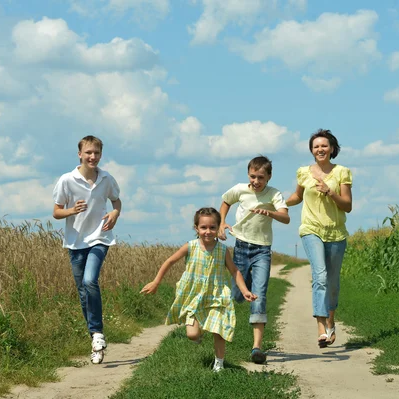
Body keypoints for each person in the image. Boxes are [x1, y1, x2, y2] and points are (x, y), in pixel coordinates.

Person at [140, 207, 257, 372]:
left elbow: (234, 271)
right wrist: (156, 282)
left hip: (217, 295)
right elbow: (169, 262)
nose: (208, 231)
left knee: (219, 330)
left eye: (212, 227)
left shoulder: (222, 250)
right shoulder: (191, 246)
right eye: (203, 227)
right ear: (196, 228)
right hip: (193, 295)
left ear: (218, 228)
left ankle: (219, 364)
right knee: (192, 335)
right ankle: (200, 332)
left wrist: (244, 290)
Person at [52, 135, 122, 365]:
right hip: (75, 242)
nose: (93, 157)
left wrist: (114, 213)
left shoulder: (106, 178)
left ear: (101, 155)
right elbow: (56, 211)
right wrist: (71, 211)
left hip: (99, 238)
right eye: (88, 153)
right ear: (80, 154)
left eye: (97, 153)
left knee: (91, 281)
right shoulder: (67, 180)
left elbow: (116, 201)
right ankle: (95, 338)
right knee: (83, 292)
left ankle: (98, 333)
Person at [218, 156, 290, 364]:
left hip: (262, 251)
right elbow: (225, 201)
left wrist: (270, 212)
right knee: (238, 295)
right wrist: (222, 222)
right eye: (252, 176)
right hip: (240, 248)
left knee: (259, 294)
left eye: (261, 177)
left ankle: (256, 348)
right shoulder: (240, 189)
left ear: (269, 176)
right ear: (248, 174)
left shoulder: (274, 194)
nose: (256, 181)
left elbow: (286, 218)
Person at [285, 129, 352, 348]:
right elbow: (298, 196)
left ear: (332, 149)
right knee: (320, 276)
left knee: (332, 282)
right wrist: (278, 204)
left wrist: (330, 192)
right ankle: (321, 328)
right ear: (311, 150)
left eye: (324, 146)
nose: (320, 149)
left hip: (336, 233)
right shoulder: (304, 172)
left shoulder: (342, 172)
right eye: (316, 146)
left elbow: (347, 206)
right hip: (311, 229)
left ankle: (331, 321)